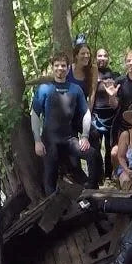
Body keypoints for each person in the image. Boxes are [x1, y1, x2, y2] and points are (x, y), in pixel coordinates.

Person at [31, 52, 101, 194]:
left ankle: (92, 193)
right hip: (50, 141)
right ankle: (51, 205)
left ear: (68, 68)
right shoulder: (44, 89)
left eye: (63, 65)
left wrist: (85, 136)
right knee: (50, 174)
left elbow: (86, 113)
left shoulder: (75, 89)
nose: (60, 68)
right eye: (57, 65)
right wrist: (37, 140)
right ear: (52, 67)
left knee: (93, 155)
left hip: (70, 140)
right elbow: (35, 115)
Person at [92, 72, 121, 177]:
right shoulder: (91, 75)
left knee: (110, 147)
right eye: (100, 56)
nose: (102, 58)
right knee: (96, 146)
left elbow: (118, 97)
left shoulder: (115, 76)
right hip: (96, 118)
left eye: (105, 55)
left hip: (112, 118)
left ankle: (109, 174)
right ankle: (98, 175)